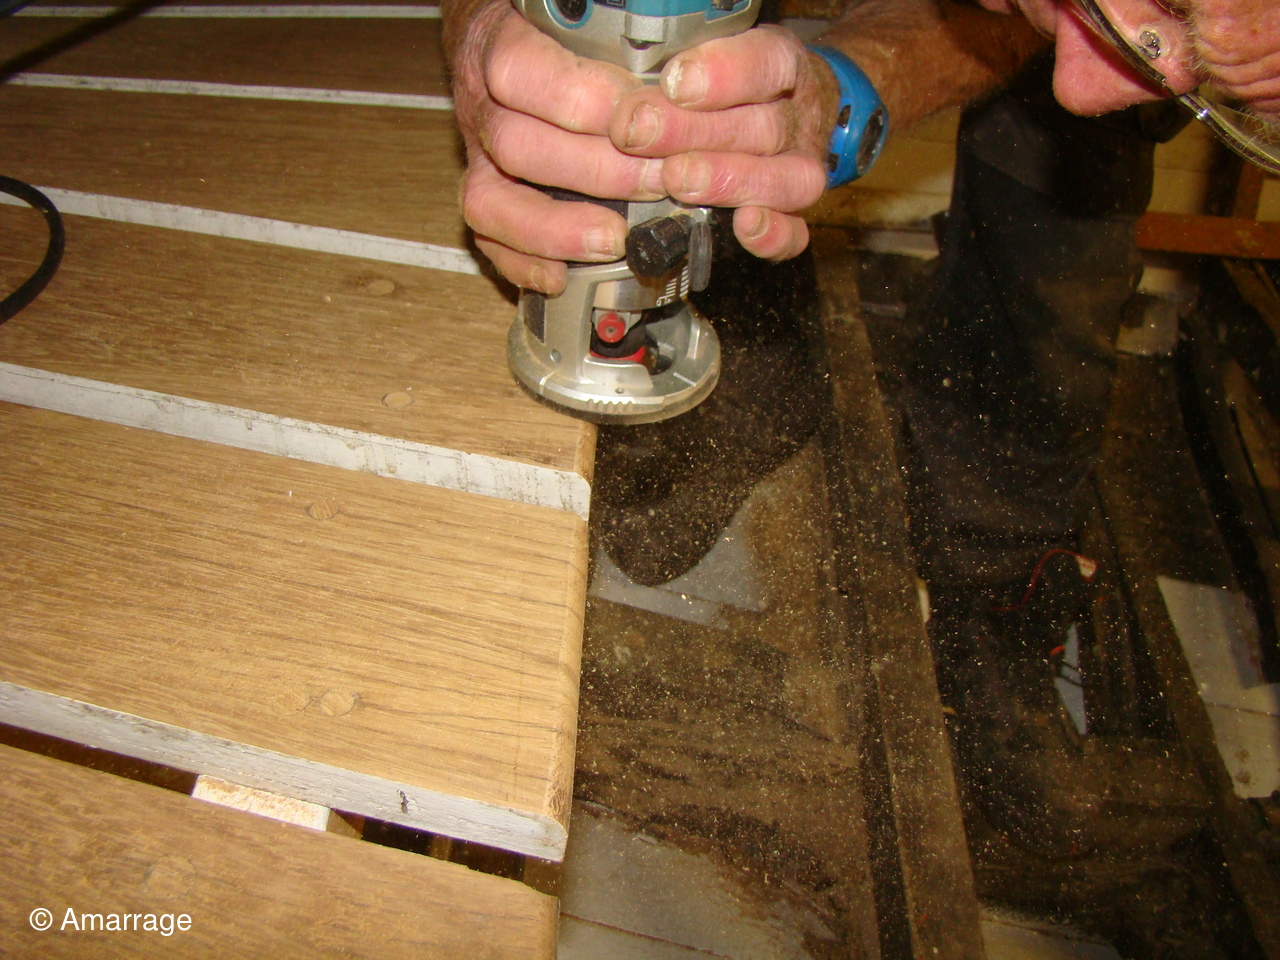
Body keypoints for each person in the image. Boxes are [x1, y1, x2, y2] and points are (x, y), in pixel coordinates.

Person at [442, 0, 1280, 948]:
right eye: (1160, 10)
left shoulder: (1099, 68)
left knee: (1071, 168)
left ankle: (995, 590)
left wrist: (845, 92)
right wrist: (486, 34)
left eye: (1207, 72)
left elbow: (1072, 61)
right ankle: (758, 361)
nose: (1086, 80)